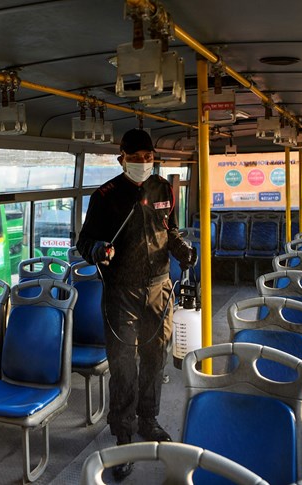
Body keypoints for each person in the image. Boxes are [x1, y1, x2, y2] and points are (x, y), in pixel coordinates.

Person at [77, 128, 196, 480]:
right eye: (137, 158)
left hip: (159, 288)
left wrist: (181, 249)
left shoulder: (164, 189)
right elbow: (85, 241)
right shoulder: (106, 196)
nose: (144, 163)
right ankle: (124, 437)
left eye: (148, 158)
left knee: (155, 359)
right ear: (122, 158)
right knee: (124, 364)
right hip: (121, 292)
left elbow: (169, 229)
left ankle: (149, 419)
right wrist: (98, 250)